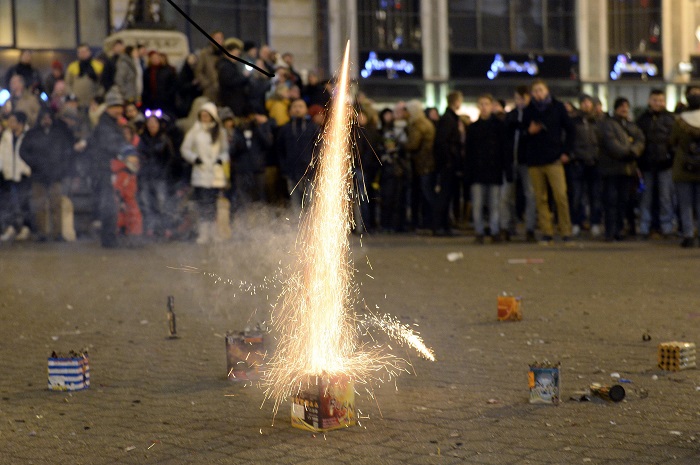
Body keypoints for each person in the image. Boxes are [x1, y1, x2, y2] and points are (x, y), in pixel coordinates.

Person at [521, 79, 575, 244]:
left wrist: (566, 151)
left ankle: (566, 231)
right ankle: (547, 232)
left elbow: (570, 129)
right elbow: (522, 133)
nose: (538, 93)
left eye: (540, 90)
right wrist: (529, 132)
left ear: (547, 91)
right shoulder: (529, 110)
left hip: (554, 158)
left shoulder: (558, 107)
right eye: (535, 91)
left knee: (560, 196)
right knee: (541, 198)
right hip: (535, 160)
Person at [20, 109, 74, 242]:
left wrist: (61, 167)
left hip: (55, 175)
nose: (46, 120)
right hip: (38, 175)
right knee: (40, 205)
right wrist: (34, 163)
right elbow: (23, 151)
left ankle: (58, 233)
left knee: (56, 205)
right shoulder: (32, 134)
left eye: (49, 118)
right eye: (44, 118)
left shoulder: (58, 134)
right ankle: (42, 233)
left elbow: (67, 152)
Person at [180, 102, 229, 244]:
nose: (205, 118)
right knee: (202, 204)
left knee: (213, 205)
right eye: (203, 115)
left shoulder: (220, 132)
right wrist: (195, 159)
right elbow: (185, 149)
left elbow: (225, 150)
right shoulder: (195, 131)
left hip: (215, 175)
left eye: (207, 115)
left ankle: (214, 233)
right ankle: (203, 233)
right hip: (200, 174)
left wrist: (221, 159)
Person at [466, 94, 511, 243]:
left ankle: (494, 230)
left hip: (494, 170)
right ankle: (480, 232)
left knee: (494, 204)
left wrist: (506, 169)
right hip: (478, 171)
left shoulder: (499, 126)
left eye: (486, 104)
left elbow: (505, 149)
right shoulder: (472, 128)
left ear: (491, 106)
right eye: (481, 104)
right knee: (478, 204)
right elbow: (469, 152)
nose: (484, 107)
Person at [599, 97, 645, 242]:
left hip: (627, 170)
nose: (624, 109)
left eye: (626, 106)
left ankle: (619, 230)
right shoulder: (608, 124)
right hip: (611, 169)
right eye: (621, 106)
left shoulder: (632, 125)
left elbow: (640, 140)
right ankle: (610, 231)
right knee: (611, 201)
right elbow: (610, 143)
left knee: (623, 201)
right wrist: (628, 153)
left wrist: (634, 151)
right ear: (616, 108)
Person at [87, 87, 127, 248]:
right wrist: (126, 151)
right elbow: (111, 145)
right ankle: (109, 238)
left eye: (120, 106)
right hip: (104, 169)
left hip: (107, 168)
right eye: (115, 106)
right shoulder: (105, 125)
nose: (118, 109)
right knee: (109, 204)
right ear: (109, 108)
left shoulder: (109, 123)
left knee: (110, 203)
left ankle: (109, 237)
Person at [636, 89, 677, 238]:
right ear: (649, 101)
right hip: (647, 164)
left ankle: (666, 227)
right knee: (646, 197)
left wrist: (671, 157)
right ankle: (645, 227)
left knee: (666, 197)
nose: (658, 103)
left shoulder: (670, 118)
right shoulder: (642, 119)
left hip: (665, 164)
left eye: (660, 100)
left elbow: (674, 141)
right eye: (655, 100)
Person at [503, 85, 537, 242]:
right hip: (511, 160)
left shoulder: (533, 115)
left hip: (527, 160)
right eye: (517, 98)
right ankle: (509, 226)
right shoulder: (511, 116)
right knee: (507, 196)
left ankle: (530, 228)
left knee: (530, 195)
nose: (520, 101)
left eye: (522, 98)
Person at [568, 94, 603, 238]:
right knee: (577, 195)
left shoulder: (599, 122)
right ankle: (577, 223)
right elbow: (569, 140)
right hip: (578, 162)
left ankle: (595, 223)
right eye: (584, 103)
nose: (586, 105)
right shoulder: (573, 122)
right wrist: (572, 156)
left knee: (595, 196)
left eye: (589, 103)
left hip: (595, 163)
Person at [669, 89, 700, 247]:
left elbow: (673, 141)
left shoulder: (680, 121)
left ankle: (688, 234)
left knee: (685, 203)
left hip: (683, 166)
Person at [276, 99, 319, 211]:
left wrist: (316, 166)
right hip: (291, 171)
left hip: (310, 171)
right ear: (290, 110)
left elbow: (319, 148)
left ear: (306, 110)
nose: (297, 109)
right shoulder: (285, 128)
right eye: (295, 106)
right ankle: (296, 227)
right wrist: (284, 168)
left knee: (310, 202)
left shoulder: (312, 127)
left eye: (300, 106)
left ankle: (310, 228)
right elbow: (280, 150)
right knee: (295, 202)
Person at [433, 91, 466, 236]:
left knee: (447, 195)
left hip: (449, 162)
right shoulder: (449, 119)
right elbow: (442, 142)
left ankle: (444, 225)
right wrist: (448, 160)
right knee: (445, 195)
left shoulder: (449, 118)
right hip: (448, 164)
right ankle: (440, 226)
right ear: (456, 101)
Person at [138, 114, 176, 238]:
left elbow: (170, 158)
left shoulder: (164, 139)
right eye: (150, 123)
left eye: (154, 123)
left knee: (162, 203)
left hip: (160, 177)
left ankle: (166, 228)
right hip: (146, 176)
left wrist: (164, 173)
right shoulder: (142, 140)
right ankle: (150, 228)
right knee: (147, 203)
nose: (152, 125)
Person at [404, 99, 436, 232]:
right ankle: (430, 222)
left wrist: (401, 145)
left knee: (425, 195)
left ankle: (428, 222)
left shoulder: (418, 125)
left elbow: (413, 144)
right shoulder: (426, 123)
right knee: (426, 194)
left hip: (422, 164)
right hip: (427, 164)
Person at [0, 111, 32, 242]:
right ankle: (11, 226)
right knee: (10, 203)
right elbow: (2, 154)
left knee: (23, 202)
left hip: (22, 174)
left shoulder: (29, 136)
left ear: (20, 123)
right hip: (9, 174)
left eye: (13, 121)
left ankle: (25, 227)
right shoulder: (6, 136)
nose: (9, 124)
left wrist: (26, 169)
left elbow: (30, 155)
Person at [230, 113, 273, 207]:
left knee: (260, 197)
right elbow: (232, 151)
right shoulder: (237, 132)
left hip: (258, 169)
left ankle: (261, 217)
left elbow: (268, 144)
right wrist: (239, 139)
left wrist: (257, 128)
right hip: (242, 170)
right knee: (243, 198)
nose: (247, 121)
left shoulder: (259, 130)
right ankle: (244, 218)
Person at [378, 108, 409, 232]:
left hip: (394, 168)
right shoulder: (387, 132)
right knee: (391, 198)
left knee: (395, 198)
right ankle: (390, 224)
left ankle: (393, 224)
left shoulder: (391, 131)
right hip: (391, 169)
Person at [217, 38, 250, 117]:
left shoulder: (231, 65)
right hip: (232, 102)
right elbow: (229, 82)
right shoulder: (225, 66)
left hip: (236, 101)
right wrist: (244, 77)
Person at [66, 44, 104, 110]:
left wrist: (98, 98)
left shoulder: (98, 66)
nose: (83, 54)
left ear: (89, 52)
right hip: (77, 103)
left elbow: (102, 84)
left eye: (85, 51)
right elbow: (67, 84)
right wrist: (72, 98)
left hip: (94, 103)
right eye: (81, 52)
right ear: (78, 54)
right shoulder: (72, 67)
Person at [142, 51, 178, 116]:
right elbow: (145, 87)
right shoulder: (147, 72)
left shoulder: (168, 70)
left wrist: (167, 96)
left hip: (166, 101)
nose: (155, 60)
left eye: (157, 58)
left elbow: (173, 86)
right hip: (152, 102)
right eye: (153, 58)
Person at [195, 30, 224, 103]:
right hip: (210, 90)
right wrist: (206, 84)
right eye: (216, 38)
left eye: (220, 38)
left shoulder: (224, 54)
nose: (219, 41)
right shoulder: (205, 54)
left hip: (223, 90)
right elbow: (198, 71)